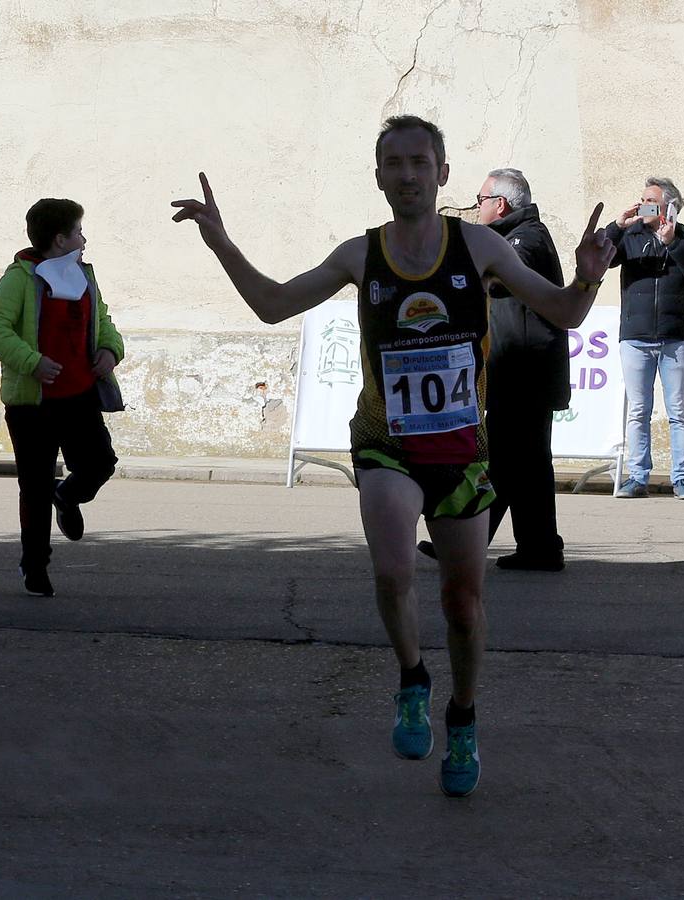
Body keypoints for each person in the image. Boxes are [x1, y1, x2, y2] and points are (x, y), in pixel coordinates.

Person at [171, 116, 615, 797]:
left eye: (419, 162)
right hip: (386, 444)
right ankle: (411, 675)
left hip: (463, 452)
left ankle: (462, 717)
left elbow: (563, 313)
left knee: (462, 603)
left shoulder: (482, 246)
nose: (406, 174)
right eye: (393, 163)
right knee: (393, 570)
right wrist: (220, 243)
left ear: (441, 174)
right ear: (378, 175)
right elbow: (271, 304)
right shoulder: (360, 255)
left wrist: (585, 280)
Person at [417, 168, 569, 571]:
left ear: (499, 205)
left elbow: (501, 275)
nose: (476, 207)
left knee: (517, 460)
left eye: (480, 200)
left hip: (525, 370)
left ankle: (518, 546)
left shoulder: (525, 238)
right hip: (517, 369)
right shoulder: (517, 235)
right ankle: (519, 545)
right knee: (515, 461)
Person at [0, 199, 125, 597]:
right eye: (78, 231)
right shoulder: (19, 277)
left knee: (100, 464)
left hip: (80, 395)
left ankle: (68, 495)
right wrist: (32, 362)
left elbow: (105, 322)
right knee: (34, 487)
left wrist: (110, 350)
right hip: (32, 403)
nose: (84, 238)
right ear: (60, 239)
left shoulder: (84, 275)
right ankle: (35, 566)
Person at [605, 178, 684, 500]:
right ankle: (637, 477)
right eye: (641, 199)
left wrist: (673, 242)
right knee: (639, 410)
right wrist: (617, 226)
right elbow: (602, 259)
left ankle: (681, 479)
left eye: (650, 201)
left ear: (669, 207)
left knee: (678, 411)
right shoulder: (630, 236)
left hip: (674, 338)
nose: (642, 206)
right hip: (635, 338)